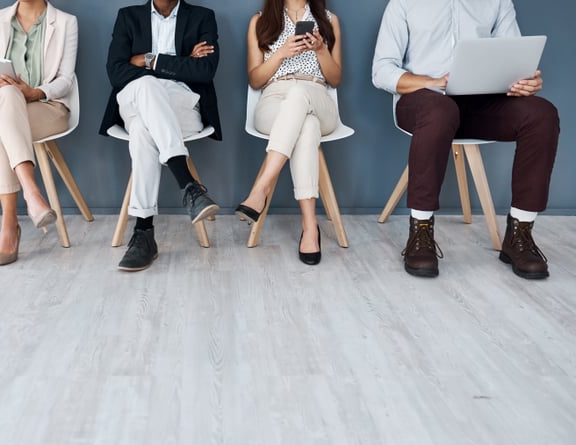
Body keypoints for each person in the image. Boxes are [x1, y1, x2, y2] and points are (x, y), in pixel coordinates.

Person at [372, 0, 560, 279]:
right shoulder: (403, 3)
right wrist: (434, 82)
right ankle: (420, 232)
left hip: (480, 104)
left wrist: (526, 82)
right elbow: (382, 70)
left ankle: (520, 233)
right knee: (440, 110)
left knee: (542, 114)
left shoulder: (497, 2)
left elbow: (515, 60)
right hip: (423, 102)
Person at [100, 0, 222, 272]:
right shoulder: (128, 17)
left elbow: (204, 71)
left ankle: (143, 233)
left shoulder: (203, 17)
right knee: (145, 85)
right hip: (135, 98)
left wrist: (148, 59)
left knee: (144, 129)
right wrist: (183, 62)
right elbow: (116, 72)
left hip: (182, 104)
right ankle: (188, 184)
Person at [237, 0, 342, 266]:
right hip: (274, 99)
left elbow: (336, 78)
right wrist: (281, 53)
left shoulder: (329, 20)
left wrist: (320, 50)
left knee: (300, 97)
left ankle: (261, 188)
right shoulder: (259, 21)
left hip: (317, 96)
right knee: (306, 127)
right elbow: (255, 79)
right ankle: (310, 226)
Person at [0, 0, 77, 266]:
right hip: (0, 103)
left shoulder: (66, 22)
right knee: (6, 99)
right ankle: (32, 195)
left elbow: (66, 79)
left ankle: (10, 223)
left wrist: (34, 92)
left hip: (46, 108)